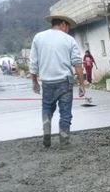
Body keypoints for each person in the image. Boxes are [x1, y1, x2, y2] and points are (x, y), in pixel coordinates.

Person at [29, 14, 84, 148]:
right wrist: (82, 84)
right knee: (65, 112)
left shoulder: (38, 37)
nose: (68, 30)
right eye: (68, 27)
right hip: (65, 81)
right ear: (63, 24)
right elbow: (77, 63)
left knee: (47, 107)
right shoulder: (69, 39)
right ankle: (64, 139)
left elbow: (33, 62)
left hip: (47, 81)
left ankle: (47, 127)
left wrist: (35, 82)